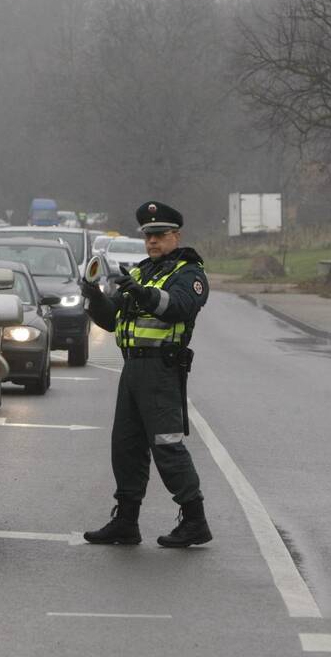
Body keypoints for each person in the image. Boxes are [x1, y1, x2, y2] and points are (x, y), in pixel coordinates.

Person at [78, 200, 212, 548]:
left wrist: (144, 294)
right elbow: (112, 320)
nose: (152, 242)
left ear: (175, 235)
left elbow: (178, 307)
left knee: (167, 446)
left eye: (160, 235)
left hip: (161, 370)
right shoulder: (140, 272)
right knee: (125, 446)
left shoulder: (189, 273)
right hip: (132, 368)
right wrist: (93, 295)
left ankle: (195, 520)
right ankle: (126, 521)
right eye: (148, 236)